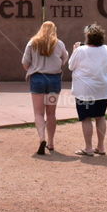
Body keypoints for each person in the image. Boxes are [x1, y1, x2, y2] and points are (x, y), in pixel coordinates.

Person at [22, 20, 68, 155]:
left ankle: (42, 138)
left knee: (38, 113)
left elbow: (25, 62)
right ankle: (51, 143)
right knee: (51, 113)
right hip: (54, 79)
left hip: (37, 79)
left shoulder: (32, 42)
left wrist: (33, 68)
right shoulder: (59, 43)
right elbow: (65, 59)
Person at [68, 23, 107, 156]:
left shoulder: (80, 50)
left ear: (88, 36)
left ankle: (88, 148)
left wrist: (75, 50)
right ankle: (101, 147)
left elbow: (71, 66)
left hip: (85, 90)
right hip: (103, 88)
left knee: (86, 118)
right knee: (100, 116)